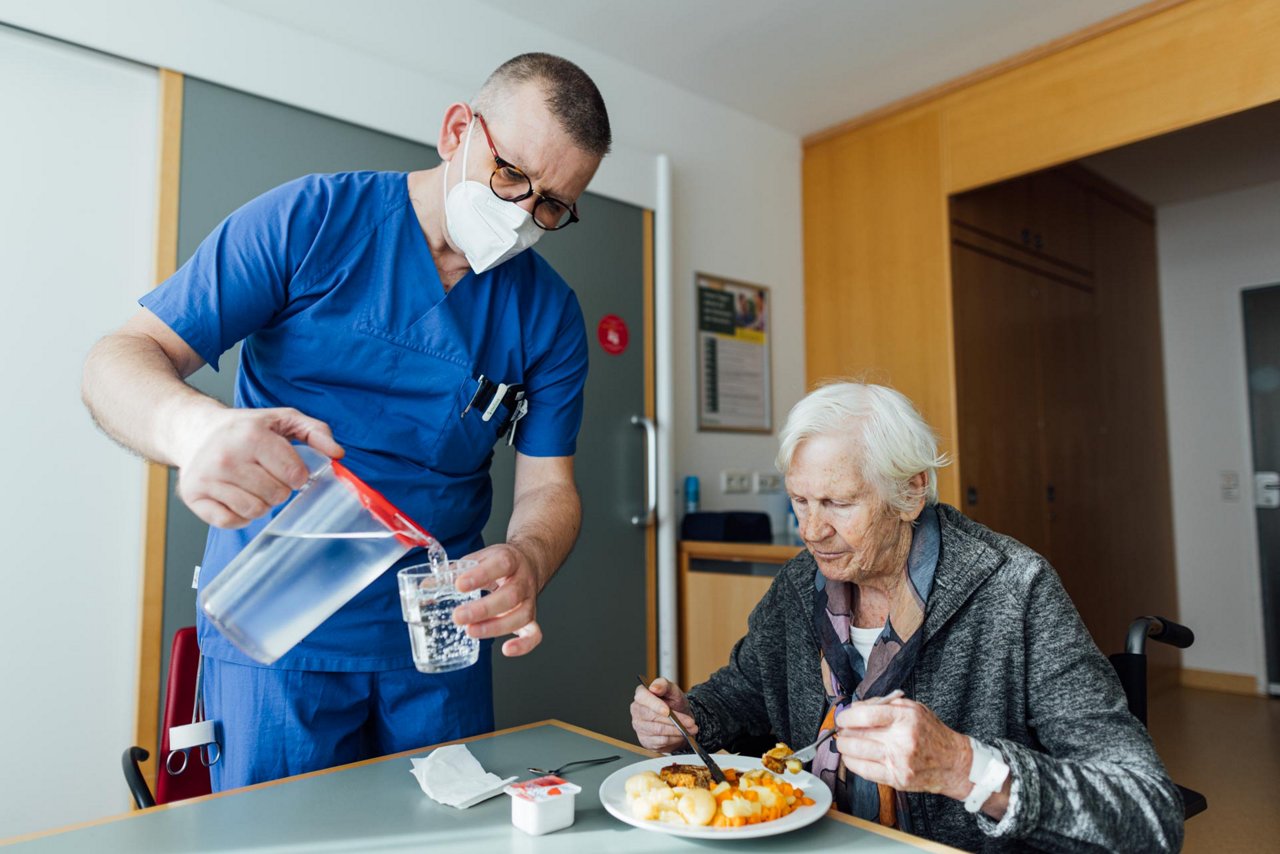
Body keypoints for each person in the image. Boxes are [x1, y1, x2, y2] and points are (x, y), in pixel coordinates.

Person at [82, 53, 610, 790]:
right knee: (275, 840)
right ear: (459, 129)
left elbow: (550, 486)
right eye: (512, 178)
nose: (523, 215)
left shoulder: (547, 313)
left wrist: (529, 556)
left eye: (552, 206)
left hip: (437, 643)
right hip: (279, 628)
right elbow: (121, 357)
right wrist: (195, 431)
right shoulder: (311, 221)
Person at [631, 383, 1183, 851]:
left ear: (911, 491)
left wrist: (967, 768)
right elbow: (748, 690)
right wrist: (690, 717)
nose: (809, 530)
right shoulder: (802, 582)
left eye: (838, 503)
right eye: (799, 500)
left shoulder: (1016, 589)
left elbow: (1149, 812)